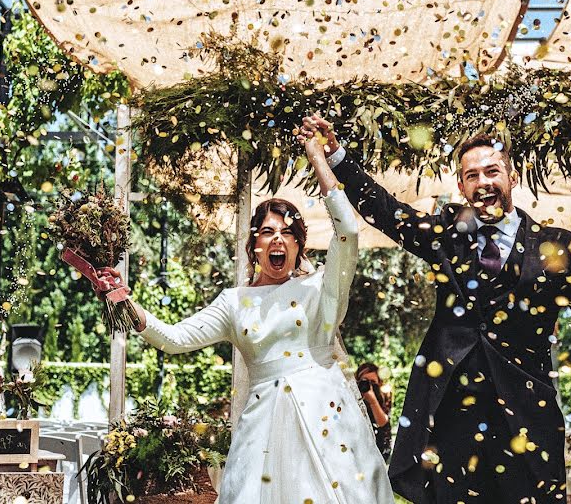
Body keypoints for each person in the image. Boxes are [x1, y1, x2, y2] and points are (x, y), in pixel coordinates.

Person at [301, 115, 571, 504]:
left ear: (513, 177)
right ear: (461, 185)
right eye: (472, 175)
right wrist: (336, 155)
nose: (483, 182)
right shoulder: (447, 234)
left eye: (492, 171)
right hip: (453, 421)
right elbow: (388, 212)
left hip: (526, 418)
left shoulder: (555, 248)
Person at [93, 132, 395, 504]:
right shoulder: (233, 303)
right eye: (268, 232)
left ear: (300, 244)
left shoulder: (322, 289)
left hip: (329, 422)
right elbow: (173, 339)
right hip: (263, 432)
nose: (278, 240)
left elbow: (347, 230)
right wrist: (123, 300)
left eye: (287, 233)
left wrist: (319, 158)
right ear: (254, 245)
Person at [356, 362, 393, 460]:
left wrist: (373, 401)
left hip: (380, 445)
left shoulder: (385, 395)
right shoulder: (353, 396)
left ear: (379, 383)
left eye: (372, 382)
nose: (369, 386)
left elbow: (383, 423)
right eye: (365, 381)